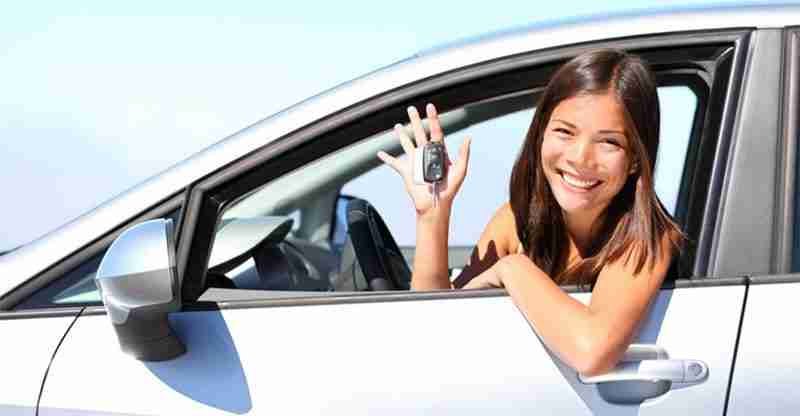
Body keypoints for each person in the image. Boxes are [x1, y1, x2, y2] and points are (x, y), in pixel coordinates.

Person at [376, 49, 684, 376]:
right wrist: (432, 216)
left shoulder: (648, 237)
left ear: (635, 159)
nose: (581, 158)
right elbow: (436, 327)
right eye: (565, 132)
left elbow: (592, 353)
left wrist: (512, 268)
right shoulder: (517, 220)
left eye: (608, 142)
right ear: (540, 134)